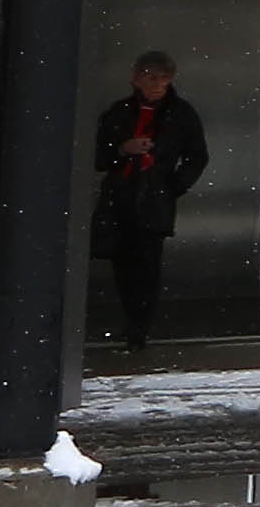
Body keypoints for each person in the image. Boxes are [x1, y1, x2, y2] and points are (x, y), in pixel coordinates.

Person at [90, 50, 211, 355]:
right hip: (120, 193)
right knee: (122, 260)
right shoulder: (119, 112)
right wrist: (123, 149)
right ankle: (132, 319)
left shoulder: (180, 114)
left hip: (155, 195)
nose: (158, 85)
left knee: (147, 263)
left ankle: (138, 326)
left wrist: (172, 185)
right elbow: (99, 157)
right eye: (152, 77)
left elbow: (197, 156)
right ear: (137, 78)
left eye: (164, 79)